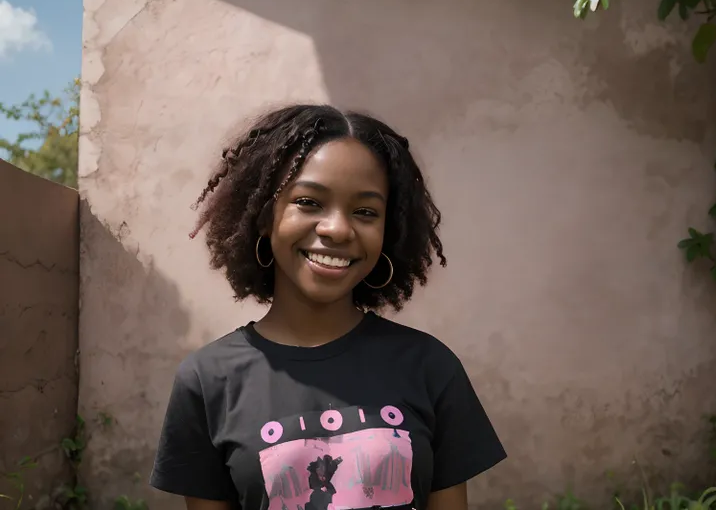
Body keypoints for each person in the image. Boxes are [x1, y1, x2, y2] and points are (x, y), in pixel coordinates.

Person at [150, 105, 506, 510]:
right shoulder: (208, 381)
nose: (337, 228)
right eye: (308, 201)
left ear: (389, 230)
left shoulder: (431, 368)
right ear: (265, 217)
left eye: (366, 211)